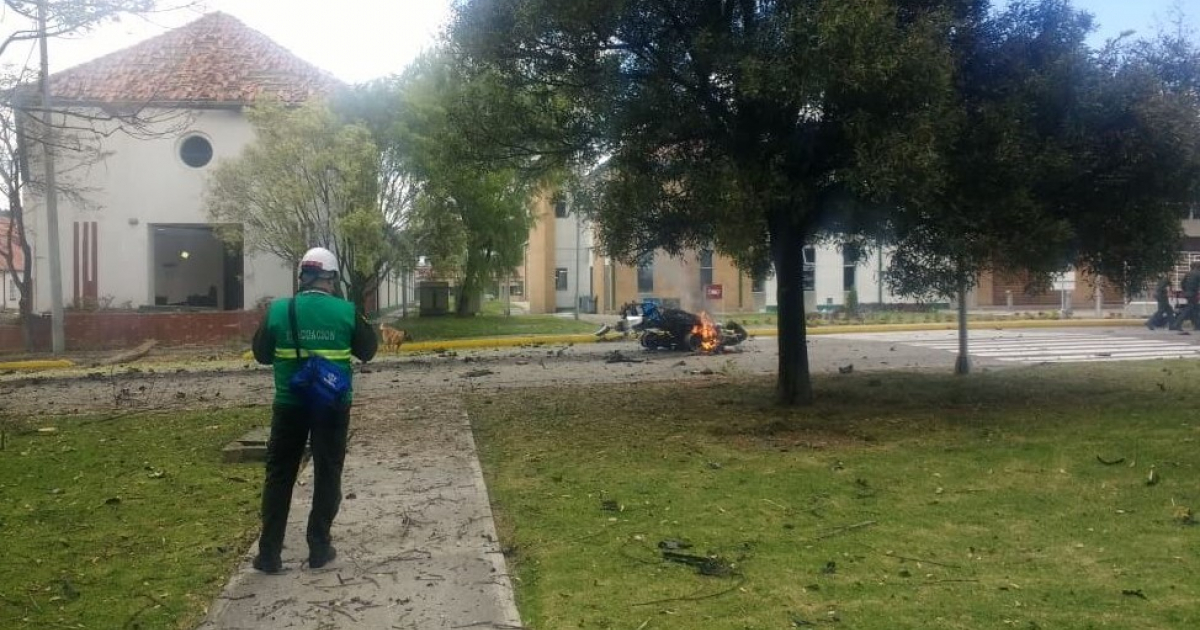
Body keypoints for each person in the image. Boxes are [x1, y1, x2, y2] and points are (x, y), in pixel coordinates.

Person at [250, 247, 378, 573]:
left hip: (289, 406)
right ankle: (319, 546)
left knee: (279, 476)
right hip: (332, 408)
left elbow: (262, 355)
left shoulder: (278, 310)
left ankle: (269, 554)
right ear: (331, 278)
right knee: (327, 472)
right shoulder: (346, 311)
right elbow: (369, 351)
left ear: (302, 277)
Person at [1170, 261, 1200, 333]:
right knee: (1188, 309)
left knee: (1194, 309)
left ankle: (1197, 326)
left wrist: (1185, 290)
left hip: (1187, 293)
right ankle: (1177, 324)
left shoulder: (1188, 273)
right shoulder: (1198, 273)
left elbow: (1182, 283)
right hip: (1193, 293)